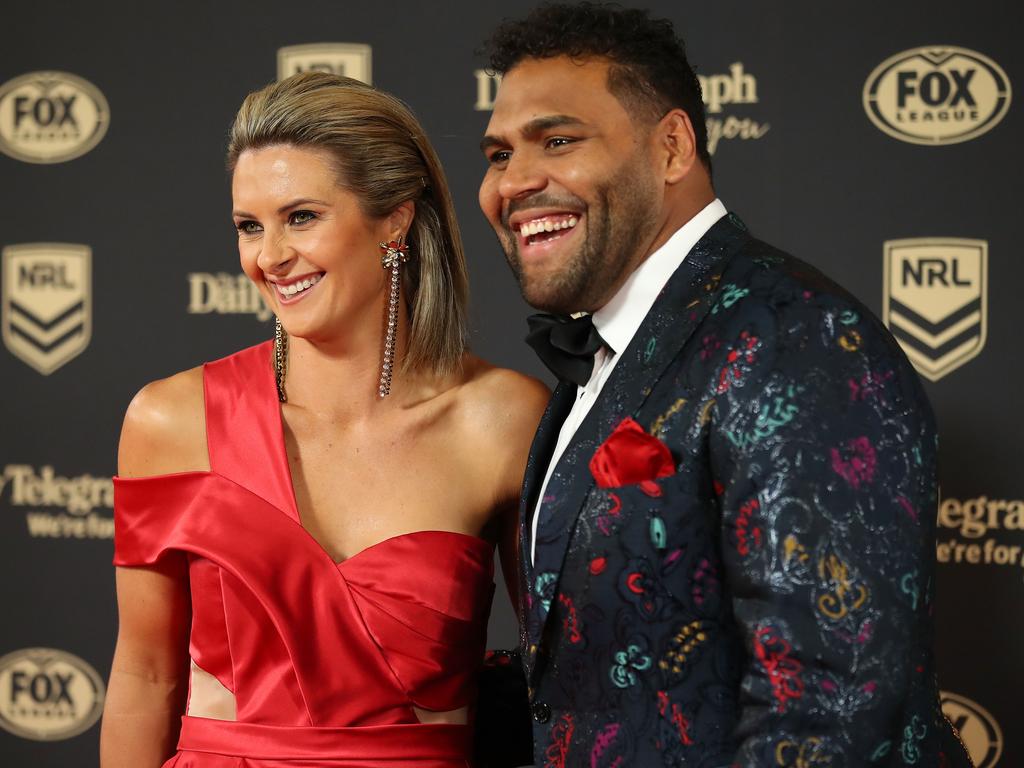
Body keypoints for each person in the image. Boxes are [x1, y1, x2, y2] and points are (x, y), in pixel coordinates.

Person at [477, 4, 972, 766]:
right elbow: (607, 673)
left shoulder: (798, 338)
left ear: (671, 146)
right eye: (498, 152)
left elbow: (830, 710)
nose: (514, 181)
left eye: (559, 140)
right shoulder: (609, 349)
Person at [99, 71, 548, 767]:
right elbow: (145, 676)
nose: (269, 256)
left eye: (301, 217)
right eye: (250, 226)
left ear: (395, 217)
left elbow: (564, 682)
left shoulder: (503, 419)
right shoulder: (170, 420)